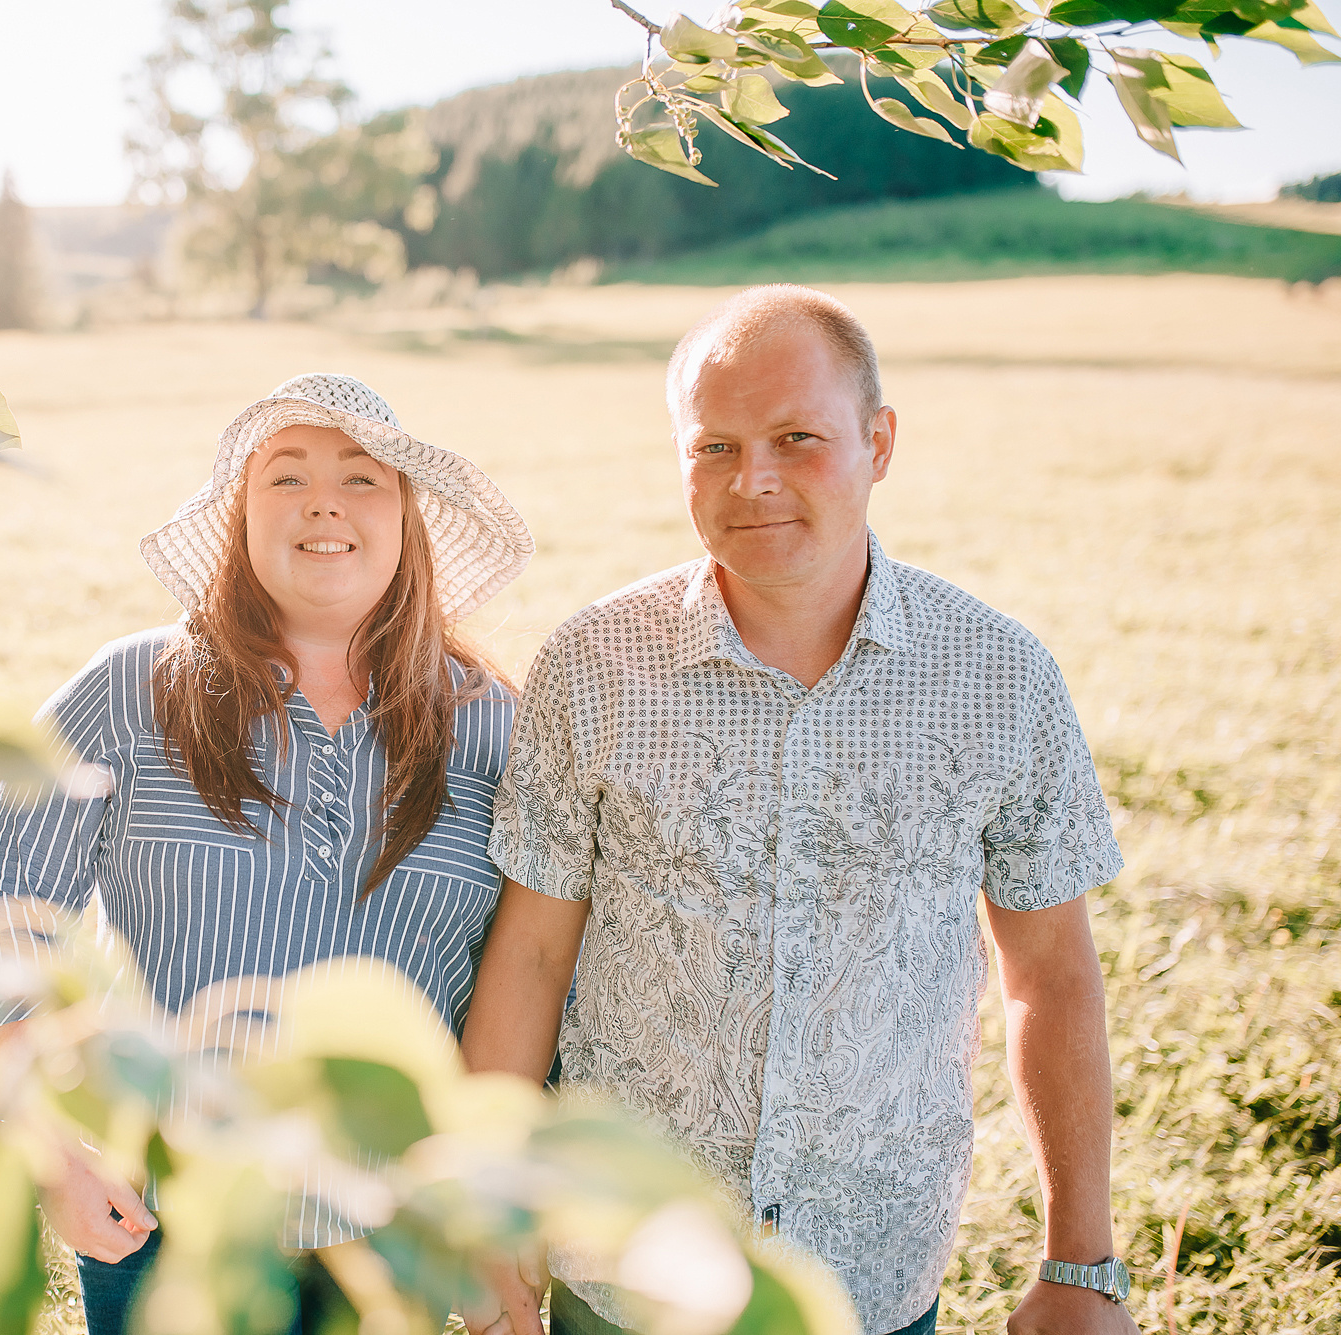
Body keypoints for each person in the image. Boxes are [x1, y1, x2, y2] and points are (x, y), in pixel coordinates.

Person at [461, 286, 1140, 1335]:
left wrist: (1079, 1266)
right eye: (713, 448)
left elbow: (1049, 974)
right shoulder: (592, 666)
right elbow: (532, 956)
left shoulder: (999, 677)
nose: (754, 480)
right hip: (624, 1264)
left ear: (878, 443)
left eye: (795, 438)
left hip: (867, 1276)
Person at [0, 372, 532, 1335]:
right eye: (286, 477)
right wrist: (60, 1155)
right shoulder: (130, 690)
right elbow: (7, 934)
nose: (324, 501)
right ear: (239, 517)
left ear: (407, 521)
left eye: (363, 479)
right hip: (168, 1218)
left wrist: (496, 1230)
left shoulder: (490, 724)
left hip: (393, 1238)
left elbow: (520, 984)